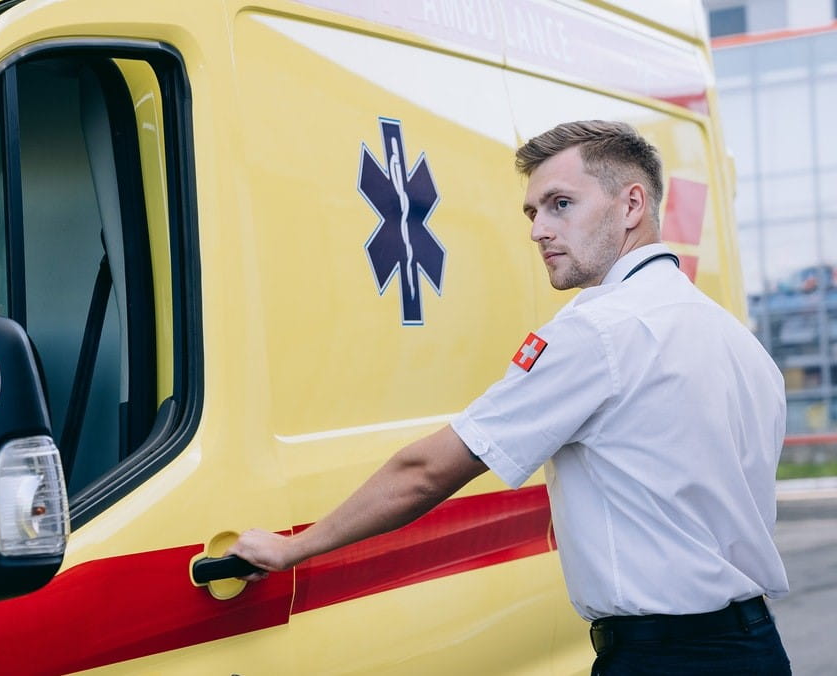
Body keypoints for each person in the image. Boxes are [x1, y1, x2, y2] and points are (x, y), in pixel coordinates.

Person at [228, 120, 792, 674]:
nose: (538, 230)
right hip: (756, 648)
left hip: (665, 658)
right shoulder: (738, 341)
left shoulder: (597, 331)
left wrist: (291, 550)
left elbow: (427, 471)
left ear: (631, 206)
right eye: (532, 212)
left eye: (560, 204)